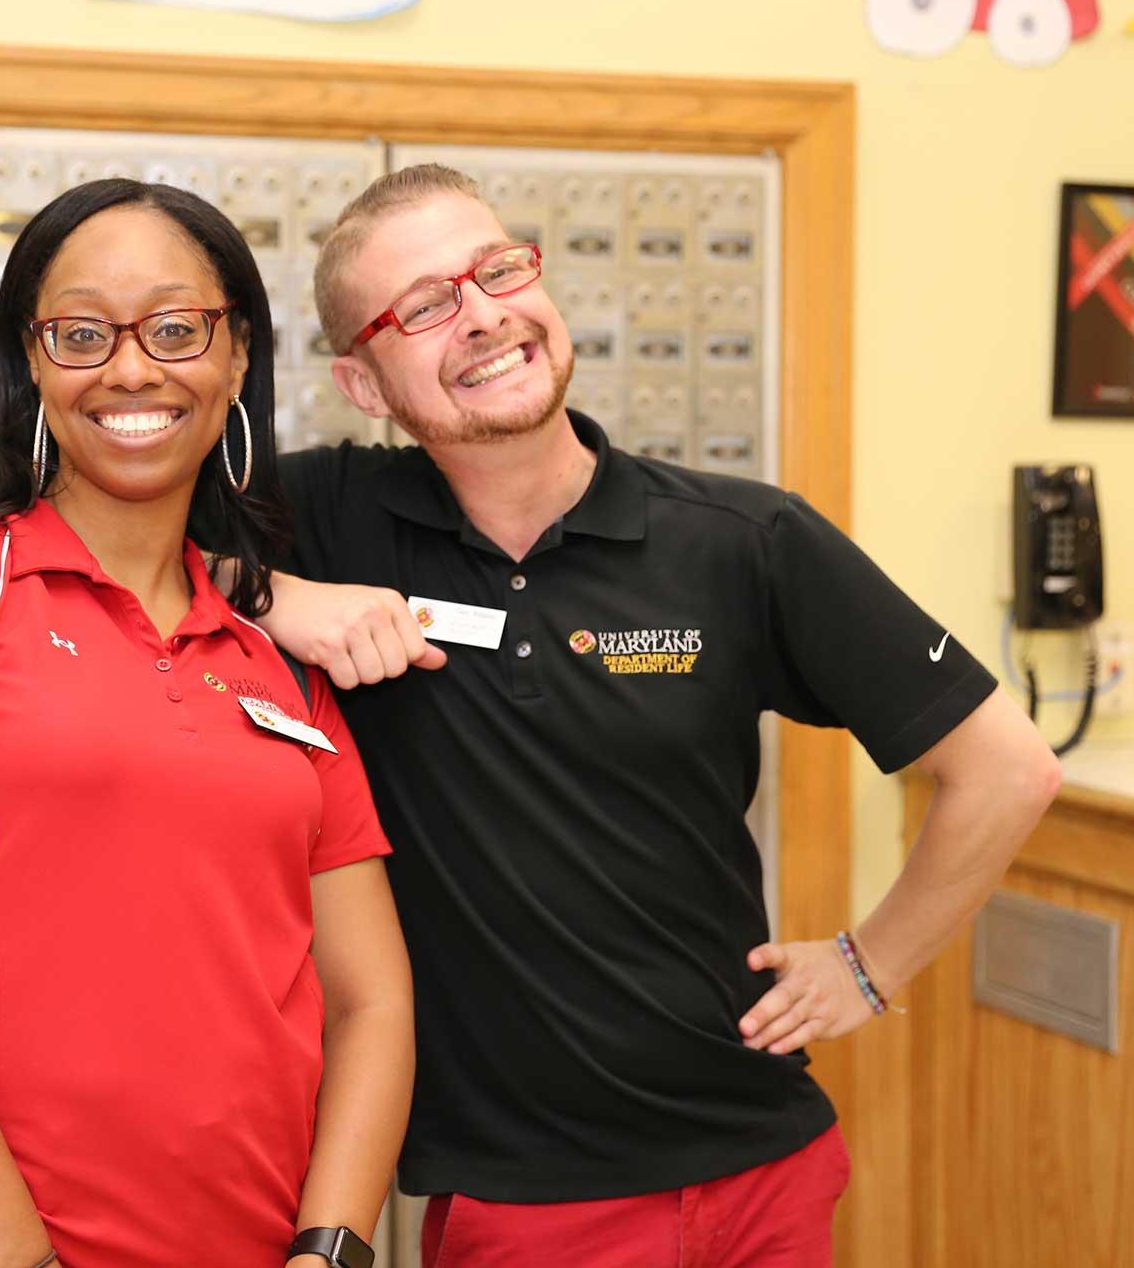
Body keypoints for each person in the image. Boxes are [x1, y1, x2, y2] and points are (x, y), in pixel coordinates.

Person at [248, 165, 1062, 1267]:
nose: (483, 313)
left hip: (759, 1166)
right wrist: (280, 595)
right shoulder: (325, 517)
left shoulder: (739, 539)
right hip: (525, 1199)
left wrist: (873, 964)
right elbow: (101, 536)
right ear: (365, 381)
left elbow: (1009, 768)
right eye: (427, 304)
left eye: (497, 269)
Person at [0, 178, 413, 1267]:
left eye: (175, 328)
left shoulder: (276, 659)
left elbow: (369, 1000)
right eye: (81, 332)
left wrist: (333, 1244)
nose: (130, 368)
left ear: (237, 357)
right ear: (31, 359)